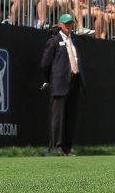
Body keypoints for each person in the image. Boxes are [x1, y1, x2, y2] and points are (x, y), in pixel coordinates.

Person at [40, 13, 85, 156]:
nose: (69, 26)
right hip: (59, 83)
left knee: (71, 116)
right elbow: (45, 64)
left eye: (70, 23)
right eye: (66, 24)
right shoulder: (54, 41)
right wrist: (50, 79)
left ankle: (67, 147)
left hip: (74, 81)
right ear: (60, 25)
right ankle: (56, 147)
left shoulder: (74, 41)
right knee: (58, 117)